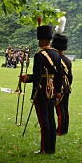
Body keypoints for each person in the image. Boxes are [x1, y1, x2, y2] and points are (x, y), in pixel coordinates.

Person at [20, 19, 63, 154]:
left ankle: (45, 149)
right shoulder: (56, 53)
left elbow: (38, 76)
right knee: (50, 119)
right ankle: (51, 148)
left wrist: (27, 79)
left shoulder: (39, 55)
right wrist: (57, 90)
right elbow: (60, 74)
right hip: (52, 90)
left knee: (44, 121)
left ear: (41, 40)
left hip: (42, 91)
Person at [53, 33, 72, 136]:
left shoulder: (56, 59)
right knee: (64, 109)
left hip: (59, 86)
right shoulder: (67, 60)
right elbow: (70, 76)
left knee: (60, 110)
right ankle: (64, 128)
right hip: (67, 86)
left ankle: (60, 130)